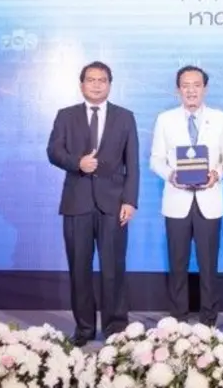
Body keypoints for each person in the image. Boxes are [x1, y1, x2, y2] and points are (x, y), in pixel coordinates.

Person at [46, 61, 140, 346]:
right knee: (79, 269)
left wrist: (130, 200)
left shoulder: (125, 117)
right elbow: (53, 151)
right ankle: (84, 328)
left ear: (110, 84)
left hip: (114, 204)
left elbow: (133, 163)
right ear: (81, 84)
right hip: (77, 203)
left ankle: (115, 327)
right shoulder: (66, 115)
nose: (97, 84)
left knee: (114, 269)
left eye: (102, 80)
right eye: (91, 79)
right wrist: (78, 162)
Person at [149, 65, 223, 327]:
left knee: (209, 265)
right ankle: (178, 320)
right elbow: (155, 159)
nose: (191, 90)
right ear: (178, 90)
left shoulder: (220, 118)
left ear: (205, 88)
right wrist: (171, 175)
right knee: (177, 264)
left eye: (196, 85)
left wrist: (217, 173)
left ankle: (209, 321)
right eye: (185, 85)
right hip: (177, 200)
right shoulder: (165, 119)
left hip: (209, 199)